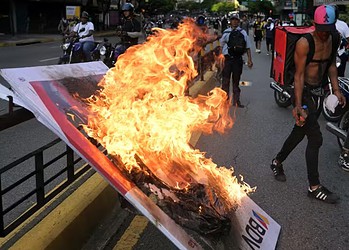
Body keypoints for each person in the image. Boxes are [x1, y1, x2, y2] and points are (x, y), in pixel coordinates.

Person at [270, 5, 346, 204]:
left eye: (327, 30)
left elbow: (330, 65)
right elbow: (299, 75)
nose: (324, 34)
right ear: (314, 25)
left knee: (299, 131)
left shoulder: (334, 37)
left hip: (317, 92)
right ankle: (314, 186)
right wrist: (296, 105)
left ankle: (277, 162)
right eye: (321, 30)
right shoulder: (305, 43)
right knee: (316, 138)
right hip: (302, 92)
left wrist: (336, 90)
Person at [220, 13, 253, 108]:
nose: (234, 21)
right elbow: (221, 46)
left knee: (236, 81)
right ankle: (225, 100)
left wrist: (250, 60)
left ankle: (236, 100)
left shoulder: (243, 33)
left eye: (236, 20)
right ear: (230, 21)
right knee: (225, 81)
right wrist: (219, 60)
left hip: (237, 60)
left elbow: (247, 47)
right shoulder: (226, 32)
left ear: (238, 21)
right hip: (227, 60)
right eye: (233, 20)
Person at [332, 5, 349, 77]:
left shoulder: (343, 25)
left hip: (340, 54)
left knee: (340, 76)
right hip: (326, 55)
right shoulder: (324, 24)